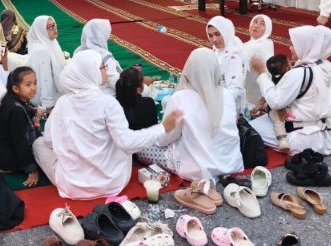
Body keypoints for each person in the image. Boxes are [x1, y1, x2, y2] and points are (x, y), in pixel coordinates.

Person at [33, 50, 181, 199]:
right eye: (103, 67)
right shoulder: (108, 103)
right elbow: (127, 142)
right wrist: (162, 128)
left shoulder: (62, 103)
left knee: (38, 144)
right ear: (92, 73)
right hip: (112, 181)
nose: (105, 70)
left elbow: (49, 141)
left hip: (74, 185)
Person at [249, 25, 331, 155]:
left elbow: (275, 102)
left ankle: (283, 141)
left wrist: (261, 73)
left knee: (250, 127)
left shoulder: (298, 73)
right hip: (328, 136)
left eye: (293, 44)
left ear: (306, 47)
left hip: (303, 140)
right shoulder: (327, 67)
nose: (289, 48)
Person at [138, 48, 243, 181]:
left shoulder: (180, 98)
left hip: (196, 169)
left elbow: (164, 139)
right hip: (231, 164)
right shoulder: (227, 94)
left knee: (141, 147)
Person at [0, 67, 42, 187]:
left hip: (0, 154)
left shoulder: (12, 100)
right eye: (28, 84)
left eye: (35, 83)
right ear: (15, 88)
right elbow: (21, 142)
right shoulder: (16, 110)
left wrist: (34, 112)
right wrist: (32, 170)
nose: (33, 87)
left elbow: (26, 112)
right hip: (9, 160)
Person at [206, 16, 246, 114]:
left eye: (218, 34)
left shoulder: (233, 56)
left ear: (226, 32)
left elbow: (235, 90)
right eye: (210, 35)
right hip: (217, 100)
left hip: (227, 108)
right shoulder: (218, 50)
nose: (214, 40)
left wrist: (214, 103)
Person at [27, 16, 67, 108]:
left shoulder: (51, 42)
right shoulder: (42, 51)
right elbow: (45, 80)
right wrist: (48, 105)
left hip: (53, 89)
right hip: (43, 97)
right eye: (49, 27)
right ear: (41, 31)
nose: (54, 28)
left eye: (54, 25)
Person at [74, 18, 122, 95]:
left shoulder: (78, 51)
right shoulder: (104, 56)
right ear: (101, 36)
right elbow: (115, 82)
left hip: (80, 93)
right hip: (103, 96)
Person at [243, 14, 275, 113]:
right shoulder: (252, 44)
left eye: (262, 24)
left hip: (256, 92)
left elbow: (269, 72)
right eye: (255, 22)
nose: (256, 26)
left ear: (267, 29)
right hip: (251, 87)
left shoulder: (261, 46)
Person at [265, 54, 293, 153]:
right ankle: (282, 140)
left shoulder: (290, 75)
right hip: (275, 106)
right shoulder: (277, 81)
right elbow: (274, 99)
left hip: (285, 104)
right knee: (278, 119)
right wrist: (280, 109)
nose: (291, 63)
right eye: (288, 62)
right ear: (286, 67)